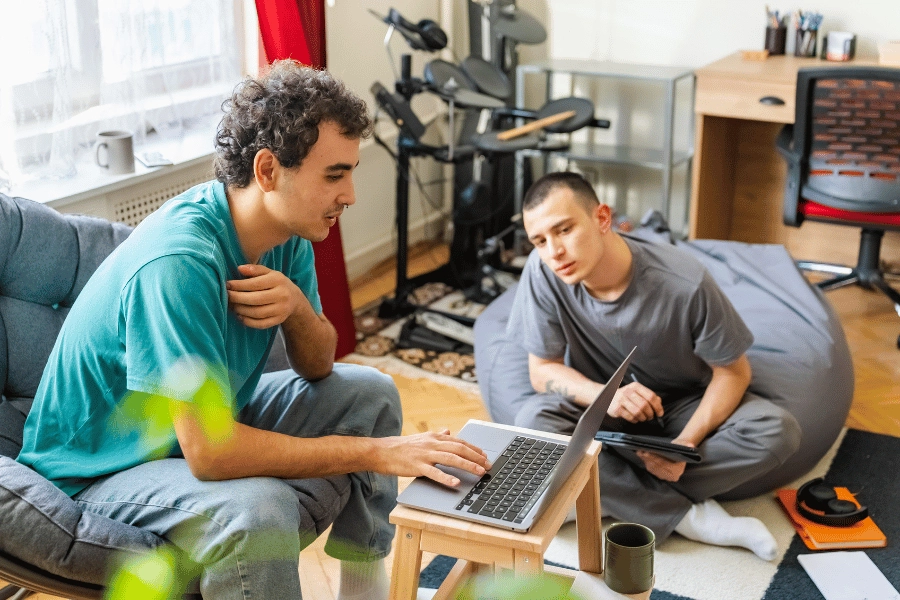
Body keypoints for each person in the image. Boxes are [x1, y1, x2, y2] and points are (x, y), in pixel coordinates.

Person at [17, 60, 490, 600]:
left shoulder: (286, 232)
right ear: (268, 171)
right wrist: (378, 453)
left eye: (351, 172)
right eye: (334, 175)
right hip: (101, 467)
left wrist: (296, 309)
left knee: (372, 393)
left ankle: (363, 592)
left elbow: (317, 366)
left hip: (194, 427)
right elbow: (211, 453)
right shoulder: (179, 261)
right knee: (260, 509)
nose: (351, 195)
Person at [508, 171, 802, 560]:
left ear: (601, 218)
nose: (553, 252)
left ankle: (594, 490)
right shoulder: (543, 270)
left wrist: (686, 443)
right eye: (539, 241)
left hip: (683, 409)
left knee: (777, 430)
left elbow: (734, 372)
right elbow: (540, 370)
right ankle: (684, 517)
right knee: (531, 420)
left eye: (563, 230)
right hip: (604, 413)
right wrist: (605, 397)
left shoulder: (684, 281)